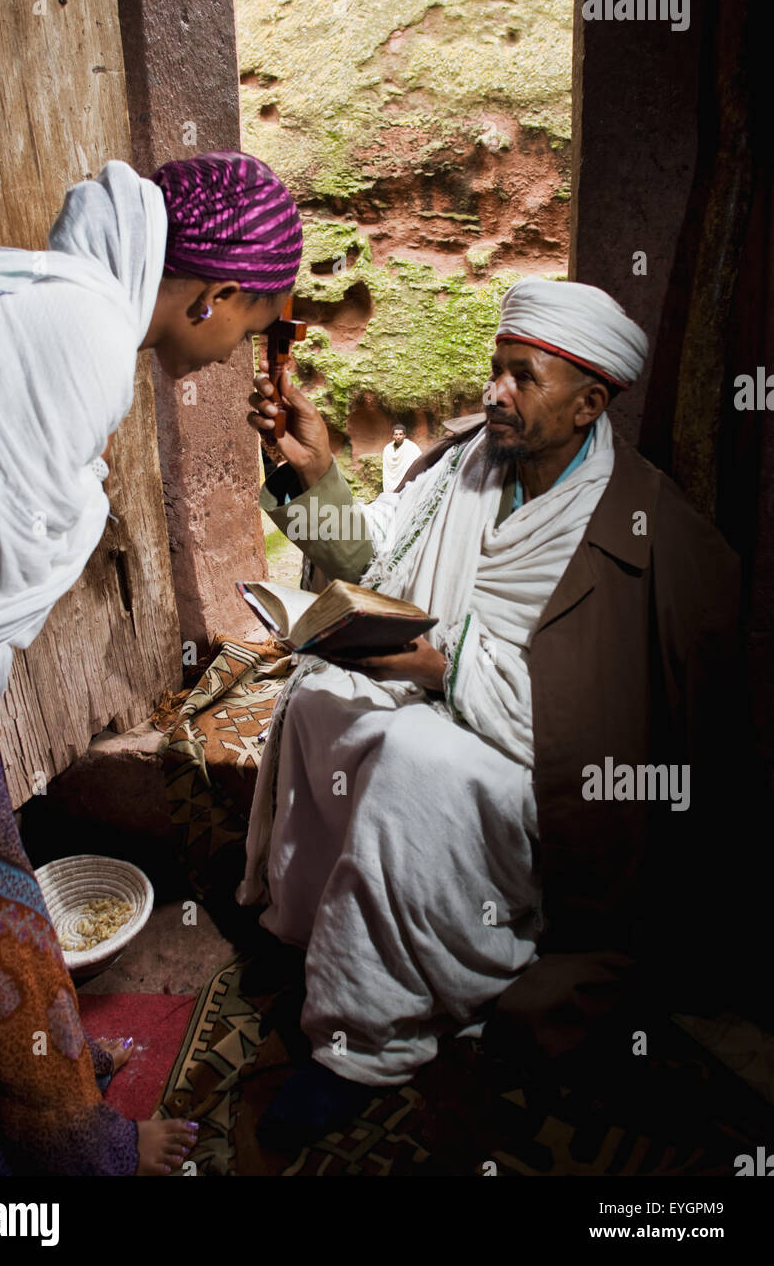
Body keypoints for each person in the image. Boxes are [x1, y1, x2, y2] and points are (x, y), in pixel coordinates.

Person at [243, 277, 743, 1150]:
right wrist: (317, 471)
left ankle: (365, 1040)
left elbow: (619, 745)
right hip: (430, 694)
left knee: (409, 755)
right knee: (319, 697)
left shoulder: (652, 539)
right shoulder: (464, 465)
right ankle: (345, 926)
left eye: (522, 377)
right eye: (494, 370)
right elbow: (377, 563)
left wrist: (450, 668)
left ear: (591, 401)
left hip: (530, 769)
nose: (494, 393)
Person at [0, 151, 303, 1174]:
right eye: (244, 333)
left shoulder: (51, 292)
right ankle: (68, 1152)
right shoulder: (81, 336)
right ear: (212, 294)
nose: (225, 362)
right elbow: (13, 543)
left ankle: (32, 1084)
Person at [382, 422, 421, 492]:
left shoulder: (412, 447)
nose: (398, 436)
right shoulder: (387, 448)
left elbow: (419, 461)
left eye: (400, 434)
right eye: (396, 434)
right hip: (390, 480)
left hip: (405, 479)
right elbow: (386, 469)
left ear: (405, 435)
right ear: (393, 436)